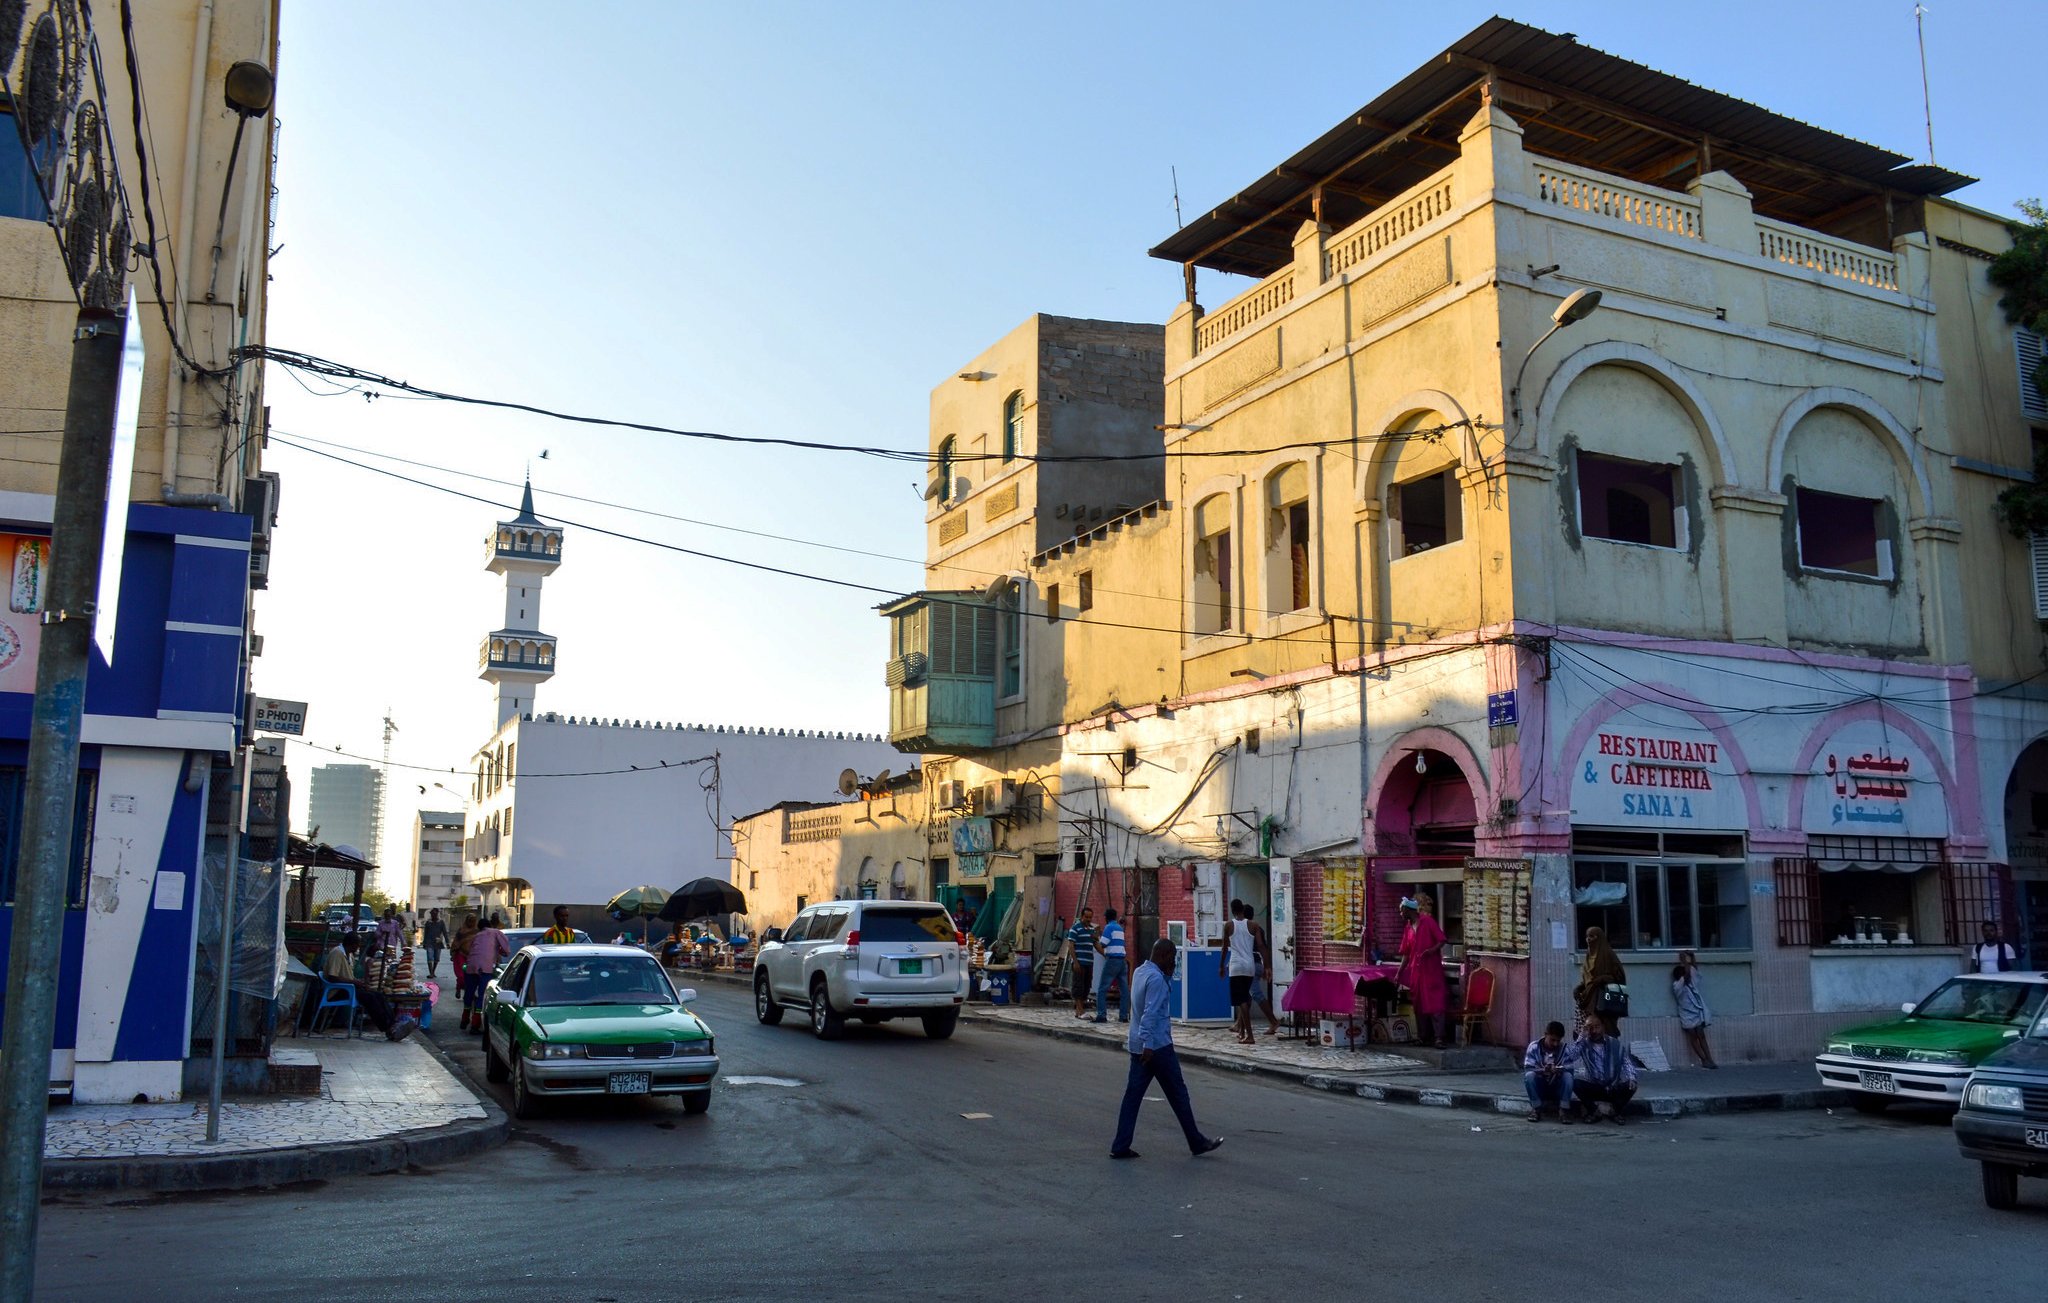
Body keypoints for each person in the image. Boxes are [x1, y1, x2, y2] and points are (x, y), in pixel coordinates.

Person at [1110, 938, 1225, 1160]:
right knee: (1178, 1094)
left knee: (1132, 1096)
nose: (1173, 962)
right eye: (1172, 958)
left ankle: (1120, 1144)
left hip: (1138, 1045)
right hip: (1157, 1046)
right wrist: (1149, 1044)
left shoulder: (1142, 972)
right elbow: (1151, 1013)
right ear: (1163, 956)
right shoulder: (1157, 980)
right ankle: (1196, 1141)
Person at [322, 934, 416, 1040]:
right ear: (352, 944)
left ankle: (393, 1024)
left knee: (378, 995)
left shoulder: (349, 955)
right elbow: (332, 977)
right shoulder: (337, 953)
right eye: (357, 945)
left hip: (349, 988)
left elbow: (348, 976)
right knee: (369, 998)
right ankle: (388, 1028)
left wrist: (359, 983)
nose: (358, 947)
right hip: (338, 990)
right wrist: (354, 982)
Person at [1564, 1011, 1638, 1123]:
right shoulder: (1584, 1043)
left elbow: (1626, 1063)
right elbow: (1569, 1057)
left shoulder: (1615, 1044)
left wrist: (1631, 1077)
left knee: (1631, 1085)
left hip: (1613, 1086)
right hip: (1594, 1086)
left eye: (1597, 1027)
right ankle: (1594, 1112)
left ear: (1603, 1027)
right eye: (1590, 1028)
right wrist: (1581, 1037)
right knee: (1574, 1082)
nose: (1594, 1031)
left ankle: (1615, 1112)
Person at [1396, 897, 1449, 1048]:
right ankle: (1422, 1036)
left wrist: (1431, 951)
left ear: (1408, 910)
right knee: (1418, 1003)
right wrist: (1399, 972)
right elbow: (1406, 953)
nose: (1400, 914)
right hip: (1416, 971)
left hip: (1431, 970)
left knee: (1435, 1003)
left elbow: (1442, 940)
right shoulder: (1408, 928)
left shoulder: (1428, 922)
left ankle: (1439, 1037)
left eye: (1401, 911)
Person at [461, 913, 512, 1033]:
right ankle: (475, 1024)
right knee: (482, 995)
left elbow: (471, 950)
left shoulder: (476, 935)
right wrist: (498, 951)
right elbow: (507, 950)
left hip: (471, 966)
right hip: (485, 968)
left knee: (469, 993)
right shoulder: (496, 932)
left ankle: (464, 1019)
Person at [1574, 925, 1628, 1036]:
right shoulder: (1588, 956)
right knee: (1590, 1033)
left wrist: (1604, 978)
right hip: (1589, 1002)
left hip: (1605, 1002)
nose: (1588, 939)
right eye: (1587, 936)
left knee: (1605, 1033)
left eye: (1592, 936)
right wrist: (1579, 988)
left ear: (1599, 938)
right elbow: (1588, 980)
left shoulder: (1608, 955)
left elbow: (1620, 977)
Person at [1672, 951, 1718, 1068]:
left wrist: (1692, 957)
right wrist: (1684, 961)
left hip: (1697, 1013)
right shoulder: (1677, 986)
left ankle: (1709, 1058)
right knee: (1693, 1035)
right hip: (1687, 1014)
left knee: (1701, 1035)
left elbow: (1693, 970)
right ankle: (1703, 1059)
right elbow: (1688, 974)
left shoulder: (1691, 983)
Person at [1221, 901, 1258, 1044]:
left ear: (1232, 910)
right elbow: (1261, 946)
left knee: (1241, 1000)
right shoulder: (1253, 925)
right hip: (1250, 966)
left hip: (1236, 966)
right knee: (1246, 997)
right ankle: (1242, 1031)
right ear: (1242, 909)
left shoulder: (1229, 925)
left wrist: (1221, 965)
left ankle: (1250, 1035)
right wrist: (1267, 965)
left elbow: (1224, 947)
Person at [1522, 1019, 1571, 1121]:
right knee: (1529, 1076)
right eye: (1552, 1040)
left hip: (1557, 1087)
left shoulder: (1564, 1049)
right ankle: (1536, 1109)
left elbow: (1570, 1069)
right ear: (1545, 1035)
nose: (1555, 1044)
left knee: (1568, 1076)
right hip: (1540, 1086)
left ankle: (1563, 1111)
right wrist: (1543, 1070)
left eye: (1558, 1040)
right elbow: (1528, 1068)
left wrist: (1558, 1070)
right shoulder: (1534, 1047)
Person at [1246, 906, 1282, 1037]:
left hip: (1251, 964)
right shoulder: (1257, 928)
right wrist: (1266, 966)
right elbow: (1263, 947)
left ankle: (1273, 1021)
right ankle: (1240, 1024)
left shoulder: (1247, 929)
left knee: (1255, 993)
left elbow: (1261, 946)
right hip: (1256, 962)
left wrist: (1267, 966)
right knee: (1247, 993)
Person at [1094, 908, 1130, 1023]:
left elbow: (1103, 944)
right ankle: (1124, 1016)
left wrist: (1095, 939)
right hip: (1122, 960)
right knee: (1124, 990)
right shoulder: (1119, 928)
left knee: (1102, 989)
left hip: (1112, 960)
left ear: (1106, 917)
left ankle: (1101, 1015)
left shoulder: (1108, 927)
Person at [1066, 908, 1097, 1019]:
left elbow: (1096, 944)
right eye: (1086, 917)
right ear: (1082, 917)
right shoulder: (1075, 929)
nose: (1088, 919)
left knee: (1086, 986)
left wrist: (1105, 954)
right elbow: (1070, 945)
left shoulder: (1091, 930)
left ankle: (1079, 1010)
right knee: (1078, 986)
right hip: (1079, 962)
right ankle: (1080, 1011)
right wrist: (1075, 962)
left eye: (1090, 917)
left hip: (1089, 962)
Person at [420, 908, 448, 978]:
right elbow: (425, 933)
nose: (434, 915)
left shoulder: (441, 922)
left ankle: (433, 971)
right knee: (429, 957)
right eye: (432, 914)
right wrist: (424, 943)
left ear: (437, 914)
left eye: (435, 914)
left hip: (438, 942)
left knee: (437, 958)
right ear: (431, 914)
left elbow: (444, 932)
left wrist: (447, 942)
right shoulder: (428, 923)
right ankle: (431, 973)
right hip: (429, 942)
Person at [450, 914, 478, 984]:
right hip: (461, 955)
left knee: (472, 973)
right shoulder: (461, 930)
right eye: (470, 920)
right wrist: (453, 952)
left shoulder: (477, 931)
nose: (471, 922)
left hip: (473, 956)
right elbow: (456, 942)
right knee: (462, 971)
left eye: (473, 920)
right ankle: (461, 984)